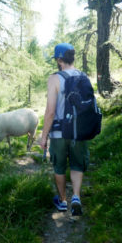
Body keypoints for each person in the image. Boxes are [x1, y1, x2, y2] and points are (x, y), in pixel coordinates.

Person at [40, 43, 90, 216]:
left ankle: (62, 201)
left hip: (59, 133)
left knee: (59, 167)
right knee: (77, 164)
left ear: (59, 60)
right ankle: (76, 196)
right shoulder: (83, 76)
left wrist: (44, 136)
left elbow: (50, 111)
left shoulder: (54, 78)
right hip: (79, 132)